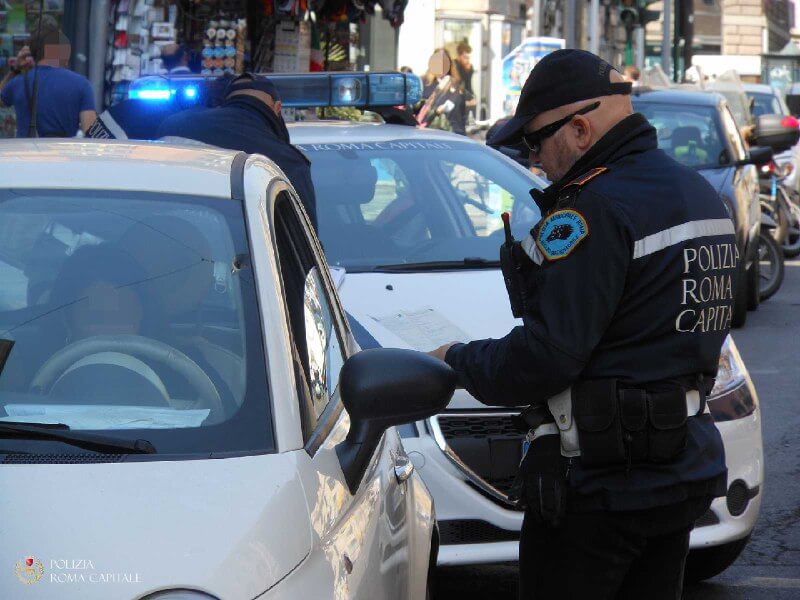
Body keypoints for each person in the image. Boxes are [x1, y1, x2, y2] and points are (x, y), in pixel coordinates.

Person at [429, 49, 733, 599]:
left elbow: (548, 356)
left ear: (580, 127)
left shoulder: (593, 210)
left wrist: (455, 359)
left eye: (537, 142)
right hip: (679, 466)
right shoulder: (700, 195)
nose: (535, 160)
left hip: (603, 488)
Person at [157, 73, 317, 228]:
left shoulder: (174, 125)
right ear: (277, 108)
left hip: (164, 234)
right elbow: (305, 244)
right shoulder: (288, 162)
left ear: (228, 101)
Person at [0, 17, 96, 137]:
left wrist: (15, 69)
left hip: (25, 154)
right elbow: (91, 136)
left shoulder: (18, 83)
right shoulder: (82, 85)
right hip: (64, 154)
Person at [454, 41, 478, 117]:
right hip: (458, 101)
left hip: (467, 99)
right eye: (465, 57)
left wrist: (469, 72)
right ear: (459, 56)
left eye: (469, 58)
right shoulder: (455, 67)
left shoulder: (468, 67)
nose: (467, 60)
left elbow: (469, 86)